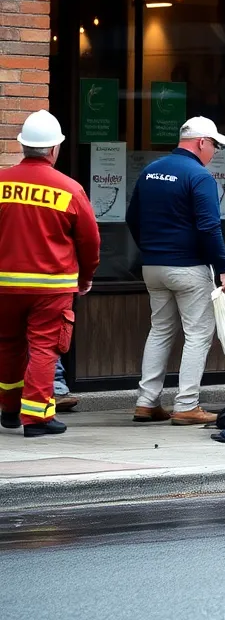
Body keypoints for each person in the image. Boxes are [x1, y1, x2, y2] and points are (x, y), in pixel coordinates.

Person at [126, 117, 225, 426]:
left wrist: (152, 248)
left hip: (153, 267)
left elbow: (132, 217)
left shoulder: (150, 171)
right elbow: (210, 227)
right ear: (201, 142)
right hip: (188, 268)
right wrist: (224, 269)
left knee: (160, 330)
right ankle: (186, 405)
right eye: (214, 145)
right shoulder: (199, 176)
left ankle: (146, 403)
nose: (214, 152)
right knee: (198, 334)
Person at [0, 111, 100, 437]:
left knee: (8, 346)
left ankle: (10, 410)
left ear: (23, 147)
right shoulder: (69, 189)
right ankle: (37, 418)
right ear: (55, 149)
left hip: (4, 286)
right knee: (44, 348)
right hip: (51, 286)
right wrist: (85, 277)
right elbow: (90, 241)